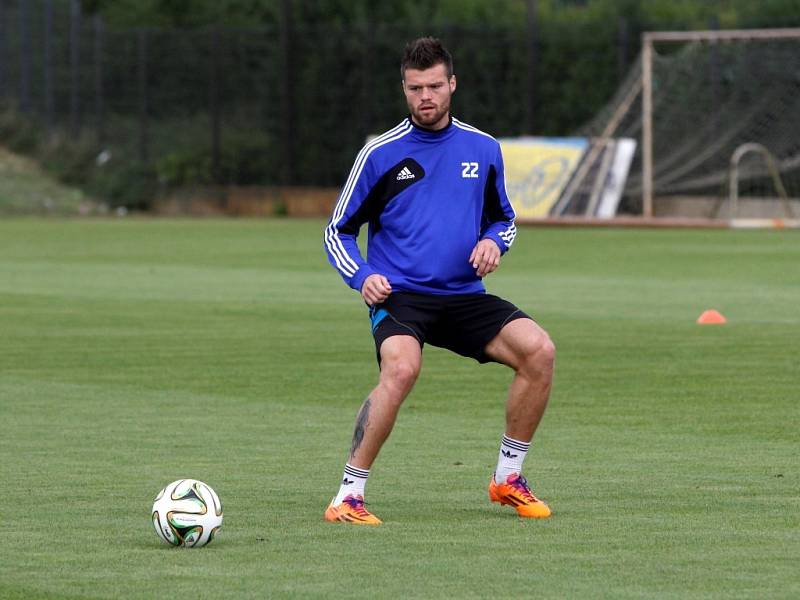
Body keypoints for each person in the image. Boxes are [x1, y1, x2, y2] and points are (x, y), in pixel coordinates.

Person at [322, 37, 555, 525]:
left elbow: (504, 218)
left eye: (433, 86)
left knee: (539, 351)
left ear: (452, 84)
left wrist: (495, 242)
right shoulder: (380, 154)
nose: (425, 96)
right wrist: (362, 276)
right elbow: (337, 230)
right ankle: (348, 495)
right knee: (401, 370)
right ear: (404, 90)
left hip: (463, 296)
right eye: (414, 88)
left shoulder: (483, 147)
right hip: (402, 297)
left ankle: (508, 479)